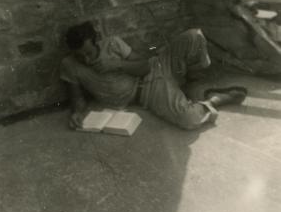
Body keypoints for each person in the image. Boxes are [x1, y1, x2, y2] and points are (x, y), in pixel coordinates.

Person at [60, 21, 247, 130]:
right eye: (80, 55)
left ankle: (192, 83)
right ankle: (214, 100)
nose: (85, 59)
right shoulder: (70, 65)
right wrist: (77, 112)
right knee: (189, 119)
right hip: (148, 92)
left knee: (194, 36)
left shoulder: (112, 45)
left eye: (89, 53)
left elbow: (143, 66)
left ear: (96, 41)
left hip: (156, 67)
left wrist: (117, 64)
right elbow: (77, 97)